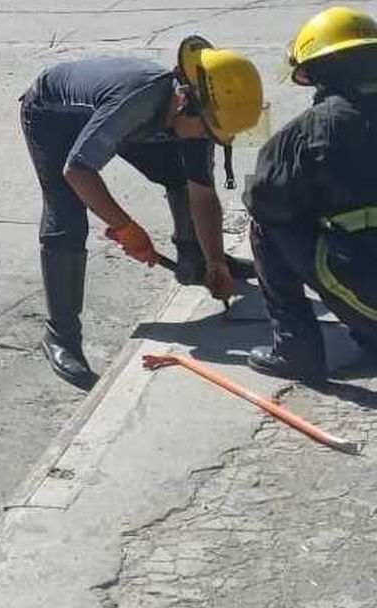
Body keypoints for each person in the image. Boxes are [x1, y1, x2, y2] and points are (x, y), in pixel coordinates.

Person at [21, 37, 264, 389]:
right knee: (67, 215)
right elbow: (78, 171)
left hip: (120, 120)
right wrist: (126, 227)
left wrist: (215, 261)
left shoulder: (196, 112)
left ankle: (193, 261)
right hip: (54, 116)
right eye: (207, 130)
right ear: (184, 103)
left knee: (181, 173)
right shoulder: (138, 102)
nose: (206, 139)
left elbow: (202, 192)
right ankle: (61, 336)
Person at [245, 5, 377, 384]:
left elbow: (267, 200)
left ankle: (295, 351)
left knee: (266, 225)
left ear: (316, 71)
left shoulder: (312, 131)